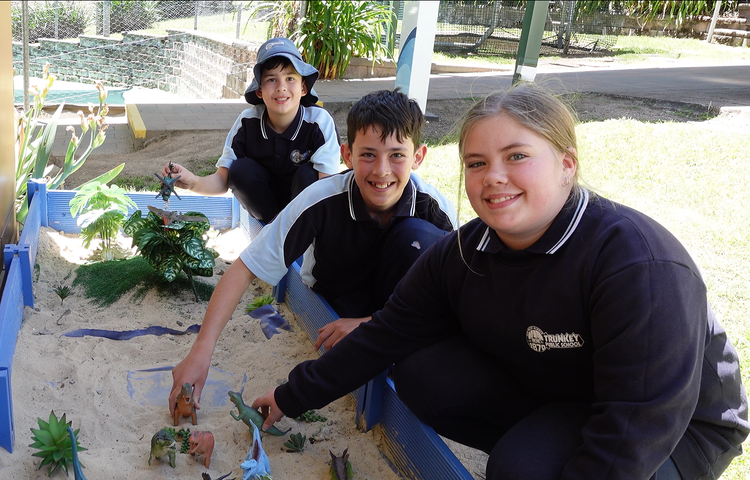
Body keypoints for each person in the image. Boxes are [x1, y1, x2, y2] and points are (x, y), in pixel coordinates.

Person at [252, 84, 749, 480]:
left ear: (566, 165)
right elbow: (385, 334)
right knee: (424, 373)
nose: (494, 177)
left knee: (520, 469)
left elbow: (635, 428)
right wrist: (289, 396)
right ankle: (540, 441)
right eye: (477, 163)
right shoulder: (467, 250)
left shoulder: (638, 267)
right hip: (562, 386)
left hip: (675, 428)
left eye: (516, 157)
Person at [169, 89, 457, 413]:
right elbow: (245, 267)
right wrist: (201, 352)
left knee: (416, 238)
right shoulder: (322, 198)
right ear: (346, 155)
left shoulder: (435, 209)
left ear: (418, 157)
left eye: (397, 155)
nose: (381, 170)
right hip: (338, 295)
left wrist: (370, 323)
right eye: (368, 155)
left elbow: (452, 297)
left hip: (396, 309)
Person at [162, 37, 341, 224]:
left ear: (303, 88)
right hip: (267, 214)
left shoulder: (319, 122)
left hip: (305, 216)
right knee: (239, 170)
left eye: (290, 78)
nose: (281, 87)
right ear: (259, 91)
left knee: (309, 175)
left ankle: (296, 234)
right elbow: (223, 181)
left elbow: (326, 190)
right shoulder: (247, 123)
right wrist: (194, 182)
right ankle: (272, 232)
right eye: (271, 79)